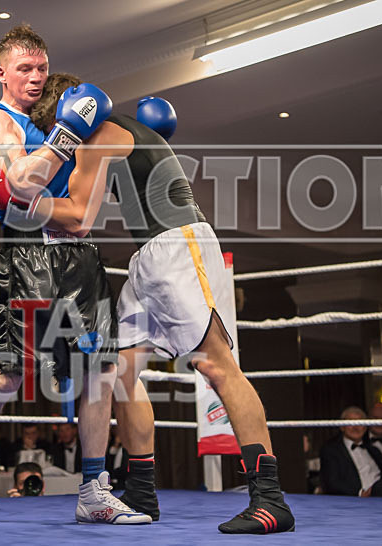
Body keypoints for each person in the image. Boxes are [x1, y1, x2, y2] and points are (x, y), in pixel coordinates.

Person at [22, 73, 295, 532]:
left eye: (53, 131)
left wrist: (17, 198)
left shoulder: (99, 135)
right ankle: (142, 491)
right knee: (120, 369)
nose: (56, 143)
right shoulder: (122, 131)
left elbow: (78, 217)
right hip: (149, 256)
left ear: (66, 116)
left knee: (216, 364)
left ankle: (270, 500)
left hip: (178, 246)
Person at [0, 24, 150, 525]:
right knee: (9, 374)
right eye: (26, 68)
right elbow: (23, 181)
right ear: (2, 73)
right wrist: (68, 133)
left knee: (99, 373)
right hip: (29, 257)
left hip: (82, 255)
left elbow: (85, 204)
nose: (37, 76)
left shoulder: (65, 113)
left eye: (42, 68)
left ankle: (93, 490)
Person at [319, 406, 382, 497]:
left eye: (360, 423)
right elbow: (332, 483)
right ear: (342, 427)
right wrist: (360, 493)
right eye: (351, 423)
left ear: (365, 428)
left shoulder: (373, 449)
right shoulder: (331, 450)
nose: (356, 427)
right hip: (353, 500)